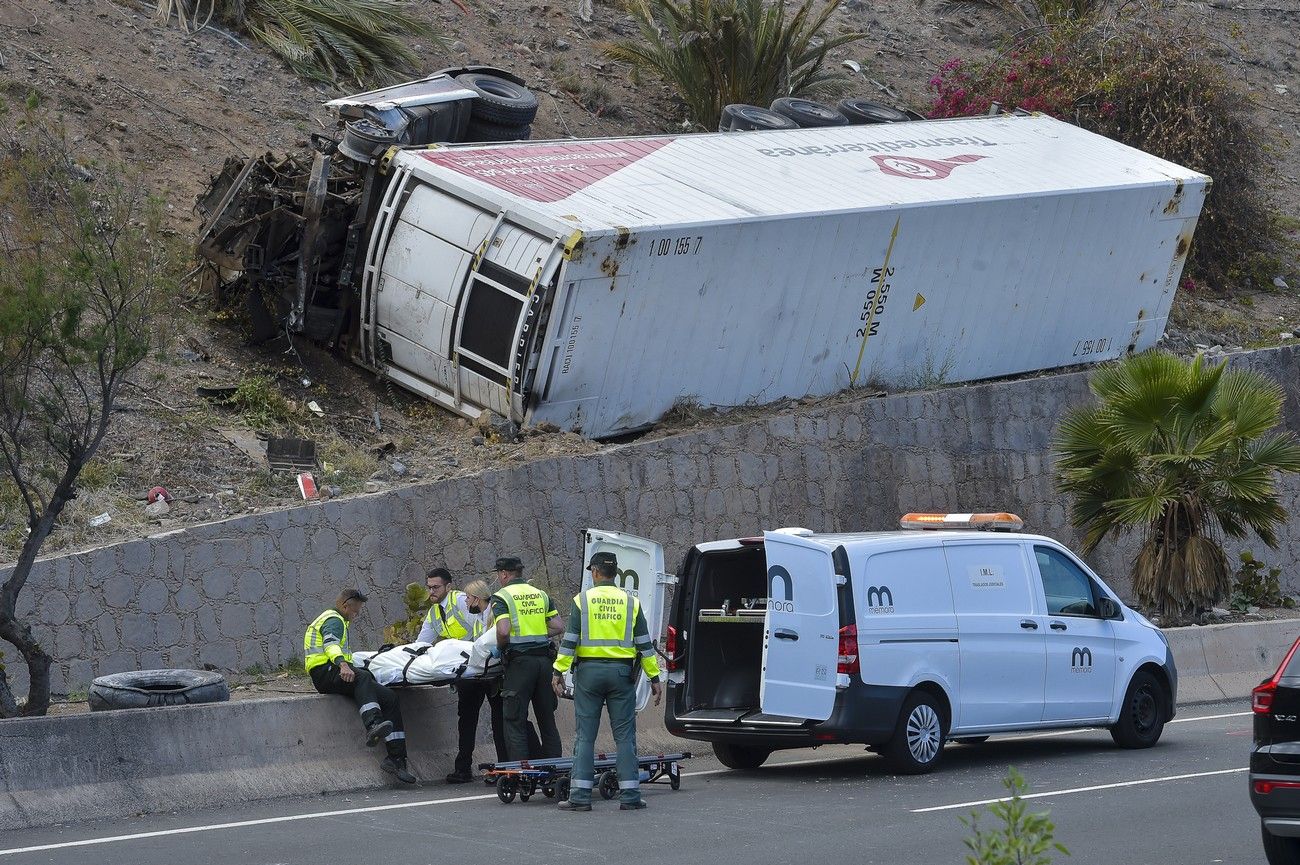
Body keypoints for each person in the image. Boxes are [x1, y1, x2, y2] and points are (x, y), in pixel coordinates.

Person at [552, 552, 662, 812]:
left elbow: (570, 641)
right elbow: (645, 646)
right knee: (625, 737)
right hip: (621, 676)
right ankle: (630, 795)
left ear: (595, 573)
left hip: (588, 675)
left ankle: (579, 796)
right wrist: (654, 677)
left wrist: (558, 672)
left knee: (585, 737)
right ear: (615, 574)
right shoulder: (631, 603)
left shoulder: (582, 601)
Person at [304, 588, 416, 784]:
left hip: (336, 671)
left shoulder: (339, 620)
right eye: (355, 610)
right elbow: (331, 645)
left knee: (389, 697)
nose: (357, 615)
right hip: (325, 672)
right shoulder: (334, 620)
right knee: (362, 677)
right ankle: (373, 724)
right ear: (345, 605)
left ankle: (396, 759)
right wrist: (343, 664)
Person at [491, 556, 564, 762]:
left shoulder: (502, 597)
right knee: (547, 719)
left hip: (520, 664)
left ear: (504, 574)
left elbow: (503, 630)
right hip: (544, 663)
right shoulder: (540, 594)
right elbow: (558, 626)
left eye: (499, 574)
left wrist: (500, 647)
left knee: (515, 720)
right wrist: (539, 635)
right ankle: (554, 769)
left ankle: (521, 773)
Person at [445, 579, 508, 784]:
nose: (465, 602)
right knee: (468, 719)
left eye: (468, 598)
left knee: (497, 721)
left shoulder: (494, 612)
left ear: (476, 599)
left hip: (492, 673)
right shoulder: (478, 615)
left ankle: (503, 769)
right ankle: (463, 768)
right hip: (478, 672)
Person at [417, 567, 473, 644]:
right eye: (429, 587)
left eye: (435, 587)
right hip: (458, 652)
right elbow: (421, 642)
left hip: (475, 649)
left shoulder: (461, 600)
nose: (431, 592)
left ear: (448, 587)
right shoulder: (433, 612)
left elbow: (482, 627)